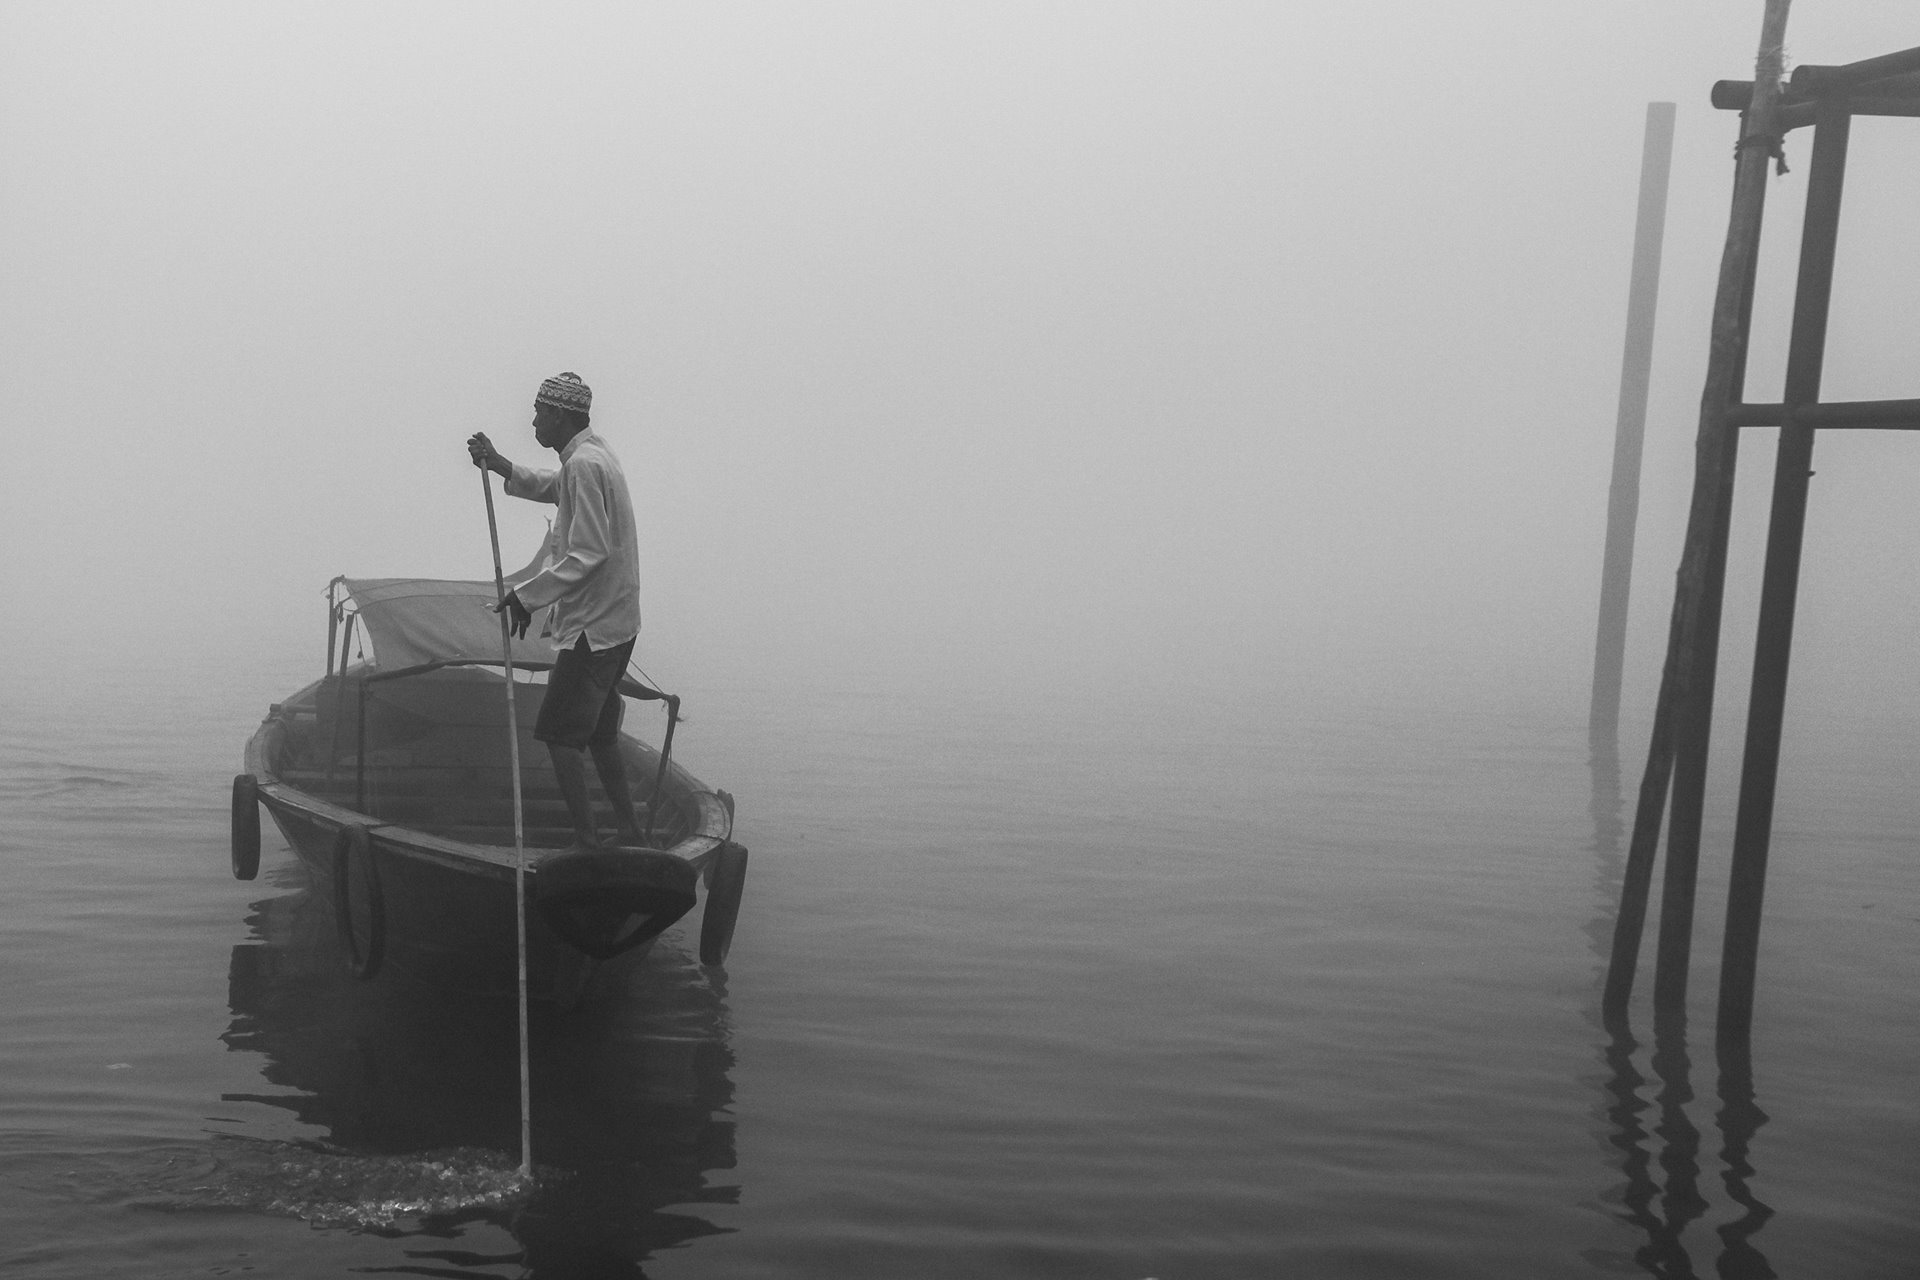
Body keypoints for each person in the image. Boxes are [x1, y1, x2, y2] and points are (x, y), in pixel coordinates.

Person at [467, 372, 647, 852]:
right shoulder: (590, 456)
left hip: (594, 626)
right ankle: (630, 831)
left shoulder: (586, 465)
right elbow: (557, 487)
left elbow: (589, 553)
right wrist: (503, 466)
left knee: (560, 736)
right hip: (617, 623)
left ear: (561, 415)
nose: (533, 421)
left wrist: (526, 597)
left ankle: (587, 845)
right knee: (601, 733)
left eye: (539, 413)